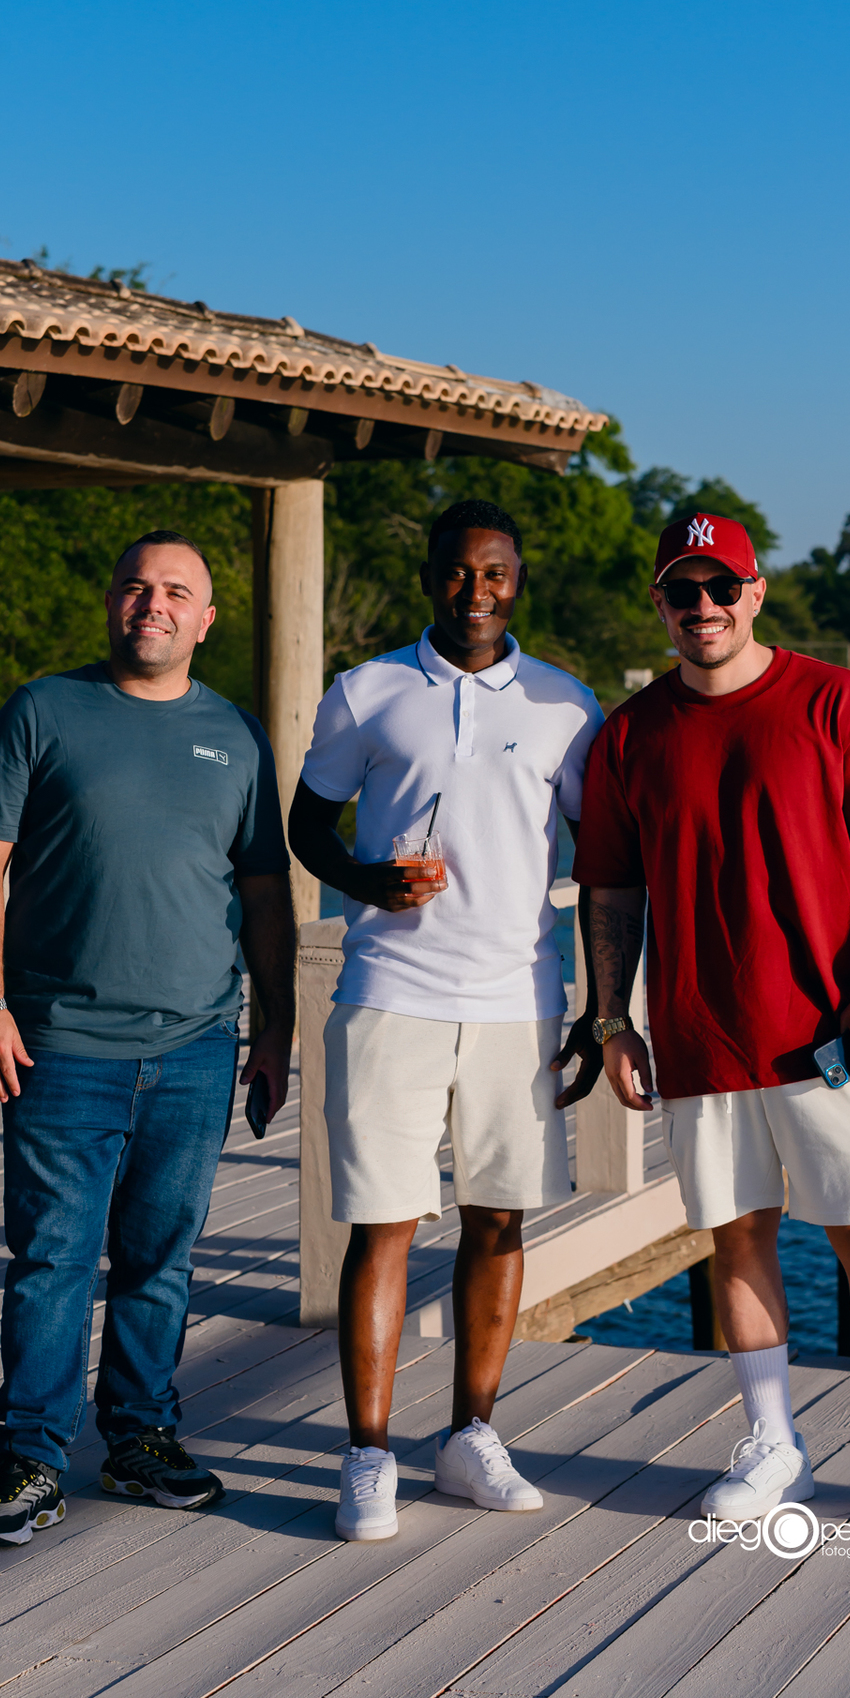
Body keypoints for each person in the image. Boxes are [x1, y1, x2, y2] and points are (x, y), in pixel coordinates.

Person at [574, 511, 850, 1525]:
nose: (702, 606)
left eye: (720, 587)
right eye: (682, 590)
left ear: (755, 592)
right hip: (697, 1037)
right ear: (660, 603)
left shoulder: (837, 702)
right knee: (737, 1239)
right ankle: (774, 1444)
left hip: (828, 1035)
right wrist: (612, 1020)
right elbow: (610, 891)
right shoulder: (629, 735)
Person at [0, 529, 296, 1548]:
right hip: (57, 1044)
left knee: (159, 1259)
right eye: (138, 587)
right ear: (112, 602)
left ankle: (139, 1439)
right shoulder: (43, 709)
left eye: (177, 592)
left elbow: (264, 891)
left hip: (196, 1046)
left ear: (206, 619)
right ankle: (31, 1459)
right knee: (52, 1259)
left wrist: (274, 1027)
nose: (155, 604)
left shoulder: (235, 735)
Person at [289, 499, 605, 1542]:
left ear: (519, 583)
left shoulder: (567, 706)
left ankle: (472, 1436)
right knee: (382, 1224)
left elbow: (604, 860)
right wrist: (365, 881)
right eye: (460, 572)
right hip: (391, 994)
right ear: (430, 579)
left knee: (499, 1220)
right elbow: (306, 825)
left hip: (520, 1000)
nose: (478, 591)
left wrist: (602, 1007)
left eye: (496, 573)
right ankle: (368, 1453)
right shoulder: (367, 691)